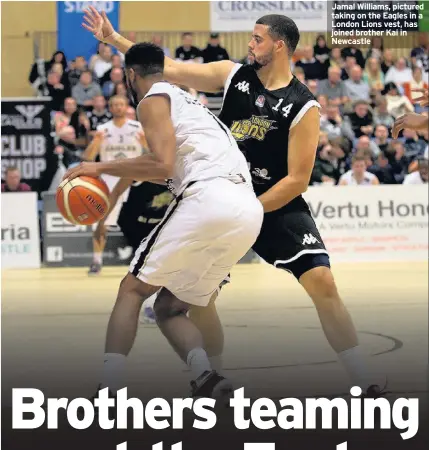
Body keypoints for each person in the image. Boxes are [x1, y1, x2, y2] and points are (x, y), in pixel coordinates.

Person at [82, 7, 386, 396]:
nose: (249, 43)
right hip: (222, 194)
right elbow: (167, 68)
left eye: (257, 39)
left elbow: (298, 180)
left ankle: (363, 381)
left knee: (323, 282)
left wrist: (256, 208)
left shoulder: (303, 104)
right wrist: (113, 39)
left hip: (272, 202)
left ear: (279, 46)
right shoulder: (232, 75)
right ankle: (214, 379)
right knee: (200, 300)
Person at [63, 42, 263, 398]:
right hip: (247, 210)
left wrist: (98, 166)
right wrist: (125, 172)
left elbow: (162, 164)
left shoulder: (151, 99)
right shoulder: (188, 102)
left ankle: (109, 389)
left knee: (131, 289)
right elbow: (167, 169)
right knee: (170, 308)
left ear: (130, 75)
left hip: (208, 197)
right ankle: (207, 377)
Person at [81, 95, 146, 276]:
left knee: (142, 223)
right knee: (101, 223)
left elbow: (153, 154)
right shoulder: (103, 129)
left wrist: (144, 143)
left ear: (126, 107)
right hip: (109, 181)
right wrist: (96, 142)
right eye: (115, 105)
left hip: (135, 180)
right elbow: (88, 158)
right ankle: (96, 261)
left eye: (121, 104)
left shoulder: (137, 127)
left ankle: (144, 262)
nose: (118, 107)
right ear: (110, 108)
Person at [95, 178, 174, 323]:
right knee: (147, 268)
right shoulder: (140, 169)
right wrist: (102, 221)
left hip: (163, 223)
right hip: (136, 224)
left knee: (165, 266)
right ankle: (149, 306)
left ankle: (158, 304)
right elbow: (116, 192)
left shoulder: (180, 170)